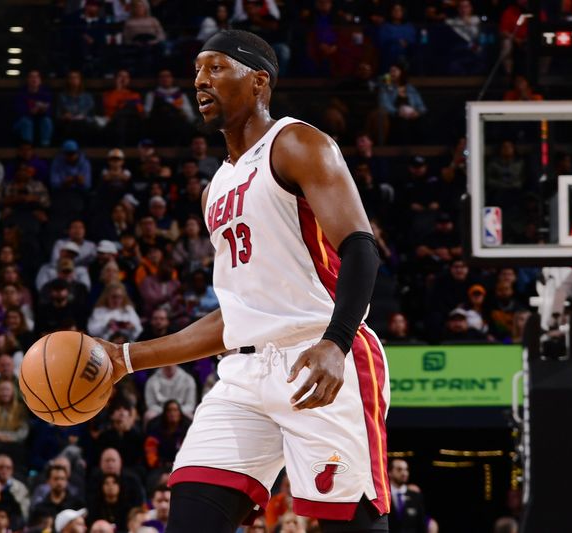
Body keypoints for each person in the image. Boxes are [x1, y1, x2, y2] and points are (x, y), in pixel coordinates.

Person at [96, 30, 388, 532]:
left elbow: (361, 249)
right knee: (190, 512)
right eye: (196, 71)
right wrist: (127, 358)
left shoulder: (296, 142)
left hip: (317, 357)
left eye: (215, 68)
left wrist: (336, 343)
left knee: (351, 525)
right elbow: (239, 314)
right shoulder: (218, 188)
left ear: (258, 82)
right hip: (244, 375)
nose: (200, 81)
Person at [13, 70, 53, 147]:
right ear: (27, 80)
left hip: (40, 118)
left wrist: (43, 110)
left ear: (40, 80)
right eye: (32, 77)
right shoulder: (21, 94)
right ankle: (28, 147)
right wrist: (30, 111)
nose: (34, 79)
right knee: (27, 122)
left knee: (47, 121)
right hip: (23, 121)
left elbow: (50, 111)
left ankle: (45, 145)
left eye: (36, 77)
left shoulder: (45, 93)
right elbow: (18, 111)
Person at [387, 458, 427, 533]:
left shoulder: (416, 496)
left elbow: (421, 525)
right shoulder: (384, 496)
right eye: (399, 469)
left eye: (406, 469)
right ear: (390, 472)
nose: (404, 473)